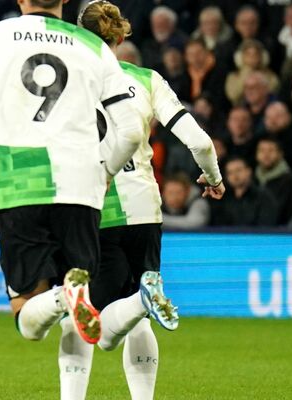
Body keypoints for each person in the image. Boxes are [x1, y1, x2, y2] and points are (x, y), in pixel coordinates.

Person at [0, 1, 172, 399]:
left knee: (27, 318)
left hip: (18, 186)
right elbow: (128, 133)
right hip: (81, 192)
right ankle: (72, 296)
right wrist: (104, 174)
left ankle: (61, 296)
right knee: (80, 308)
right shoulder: (93, 47)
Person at [77, 2, 224, 399]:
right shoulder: (146, 79)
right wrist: (213, 178)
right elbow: (200, 142)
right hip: (146, 209)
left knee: (102, 330)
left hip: (96, 209)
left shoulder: (69, 82)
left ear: (79, 35)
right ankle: (145, 302)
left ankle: (144, 299)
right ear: (119, 37)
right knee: (135, 318)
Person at [210, 156, 277, 227]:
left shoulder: (263, 196)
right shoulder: (224, 198)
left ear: (249, 171)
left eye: (238, 170)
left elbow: (266, 225)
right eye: (230, 173)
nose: (235, 176)